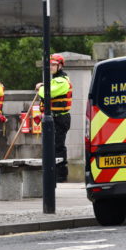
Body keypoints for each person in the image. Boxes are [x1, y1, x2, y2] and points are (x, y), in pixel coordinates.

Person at [35, 53, 73, 182]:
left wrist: (41, 87)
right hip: (54, 118)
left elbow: (47, 93)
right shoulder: (54, 80)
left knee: (58, 147)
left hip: (59, 118)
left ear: (60, 66)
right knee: (51, 146)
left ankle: (60, 175)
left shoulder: (62, 80)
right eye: (49, 64)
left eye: (54, 65)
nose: (50, 67)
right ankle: (53, 174)